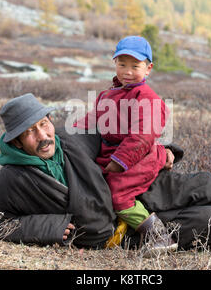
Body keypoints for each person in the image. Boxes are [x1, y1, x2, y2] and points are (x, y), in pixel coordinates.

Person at [0, 93, 211, 252]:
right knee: (206, 220)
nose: (43, 135)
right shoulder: (10, 180)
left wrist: (164, 151)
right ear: (17, 140)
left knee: (208, 184)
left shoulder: (71, 136)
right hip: (122, 233)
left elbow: (119, 137)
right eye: (31, 133)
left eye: (44, 124)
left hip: (137, 191)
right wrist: (51, 228)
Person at [73, 36, 176, 252]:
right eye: (122, 64)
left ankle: (158, 234)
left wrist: (120, 161)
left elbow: (143, 135)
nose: (127, 71)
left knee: (118, 193)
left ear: (148, 68)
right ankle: (116, 226)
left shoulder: (147, 97)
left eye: (135, 66)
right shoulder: (108, 94)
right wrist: (70, 130)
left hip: (140, 155)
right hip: (113, 151)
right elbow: (93, 119)